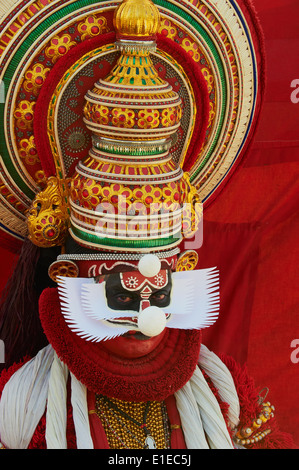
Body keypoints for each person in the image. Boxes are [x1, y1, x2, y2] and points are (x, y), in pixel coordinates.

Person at [0, 0, 296, 450]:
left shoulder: (224, 392)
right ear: (66, 276)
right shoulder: (23, 407)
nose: (146, 315)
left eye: (159, 291)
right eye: (122, 289)